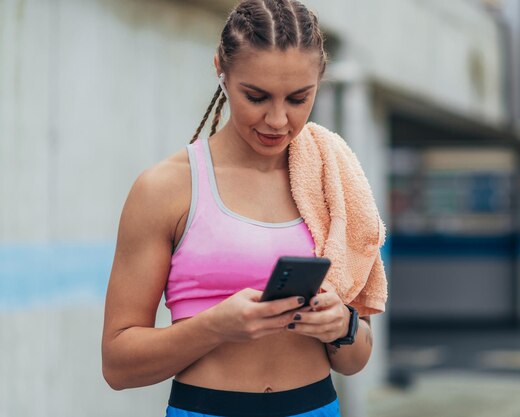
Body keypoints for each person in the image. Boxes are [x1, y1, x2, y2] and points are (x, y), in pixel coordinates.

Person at [101, 1, 387, 416]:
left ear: (319, 81)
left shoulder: (332, 180)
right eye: (255, 96)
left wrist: (342, 326)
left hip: (316, 407)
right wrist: (216, 326)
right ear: (222, 69)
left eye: (297, 98)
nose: (277, 120)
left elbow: (355, 359)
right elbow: (118, 366)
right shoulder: (166, 188)